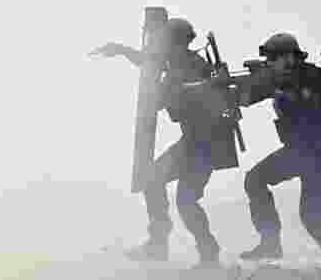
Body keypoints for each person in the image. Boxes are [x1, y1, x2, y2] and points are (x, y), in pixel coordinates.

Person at [92, 17, 238, 268]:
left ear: (176, 44)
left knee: (186, 200)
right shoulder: (177, 63)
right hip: (193, 141)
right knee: (152, 180)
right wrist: (121, 50)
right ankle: (159, 244)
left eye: (165, 43)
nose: (161, 49)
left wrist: (161, 95)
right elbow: (149, 63)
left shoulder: (191, 67)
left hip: (206, 145)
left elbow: (184, 91)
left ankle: (207, 254)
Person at [238, 33, 321, 276]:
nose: (269, 63)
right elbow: (245, 99)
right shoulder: (279, 78)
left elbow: (307, 100)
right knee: (260, 183)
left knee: (307, 212)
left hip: (319, 152)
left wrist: (267, 81)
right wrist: (240, 84)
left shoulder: (313, 77)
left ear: (289, 58)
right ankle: (274, 244)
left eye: (272, 59)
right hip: (301, 151)